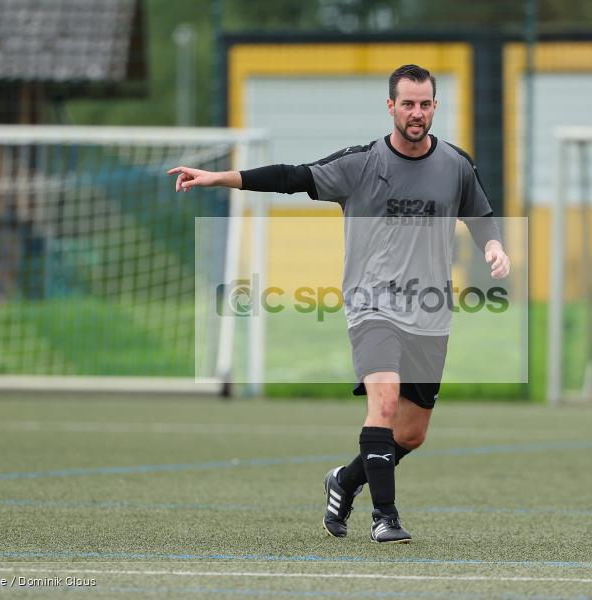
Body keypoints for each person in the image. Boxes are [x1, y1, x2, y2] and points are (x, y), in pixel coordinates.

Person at [168, 64, 510, 544]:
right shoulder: (362, 163)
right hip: (372, 305)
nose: (417, 112)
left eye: (425, 103)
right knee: (384, 401)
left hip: (429, 311)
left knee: (410, 435)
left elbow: (481, 216)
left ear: (435, 106)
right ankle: (384, 517)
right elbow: (292, 176)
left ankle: (344, 481)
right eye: (407, 103)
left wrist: (492, 246)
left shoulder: (456, 163)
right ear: (390, 106)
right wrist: (216, 178)